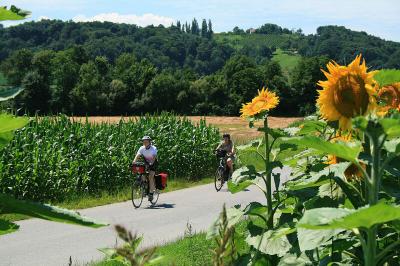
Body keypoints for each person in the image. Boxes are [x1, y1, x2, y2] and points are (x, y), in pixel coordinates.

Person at [133, 136, 158, 201]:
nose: (145, 143)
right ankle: (144, 187)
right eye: (144, 142)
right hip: (146, 163)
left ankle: (151, 193)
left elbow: (154, 157)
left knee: (150, 176)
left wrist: (151, 163)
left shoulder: (153, 148)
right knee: (143, 175)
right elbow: (137, 155)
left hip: (153, 163)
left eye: (146, 142)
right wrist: (134, 162)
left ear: (149, 142)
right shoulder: (142, 148)